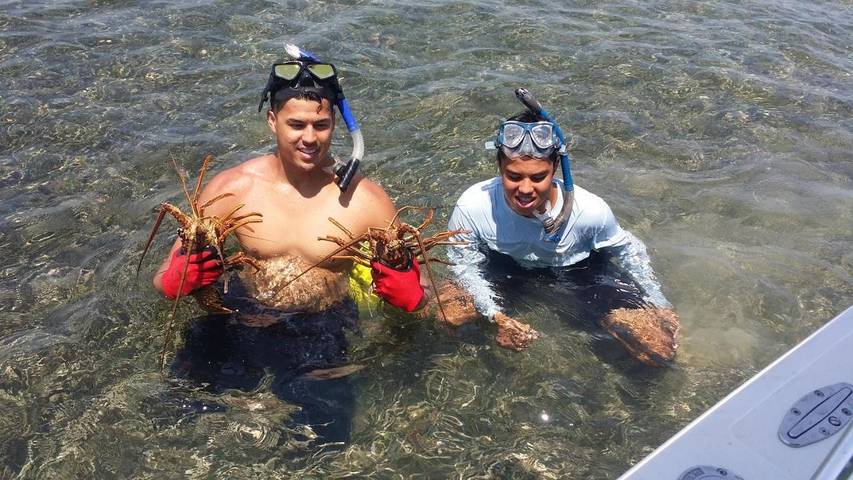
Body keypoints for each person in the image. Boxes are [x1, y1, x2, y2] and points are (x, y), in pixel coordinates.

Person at [150, 47, 426, 440]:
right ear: (272, 121)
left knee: (326, 441)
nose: (310, 138)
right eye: (296, 124)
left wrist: (415, 297)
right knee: (174, 417)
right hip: (240, 314)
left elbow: (421, 284)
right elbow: (162, 279)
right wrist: (179, 278)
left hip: (321, 326)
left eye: (322, 125)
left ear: (334, 125)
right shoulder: (233, 188)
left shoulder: (365, 201)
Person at [444, 89, 679, 365]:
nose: (525, 189)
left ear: (555, 167)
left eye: (538, 177)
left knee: (658, 349)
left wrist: (658, 301)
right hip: (505, 266)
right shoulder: (473, 205)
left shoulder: (589, 211)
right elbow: (464, 266)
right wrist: (496, 316)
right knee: (448, 313)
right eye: (514, 176)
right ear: (499, 166)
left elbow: (629, 249)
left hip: (579, 271)